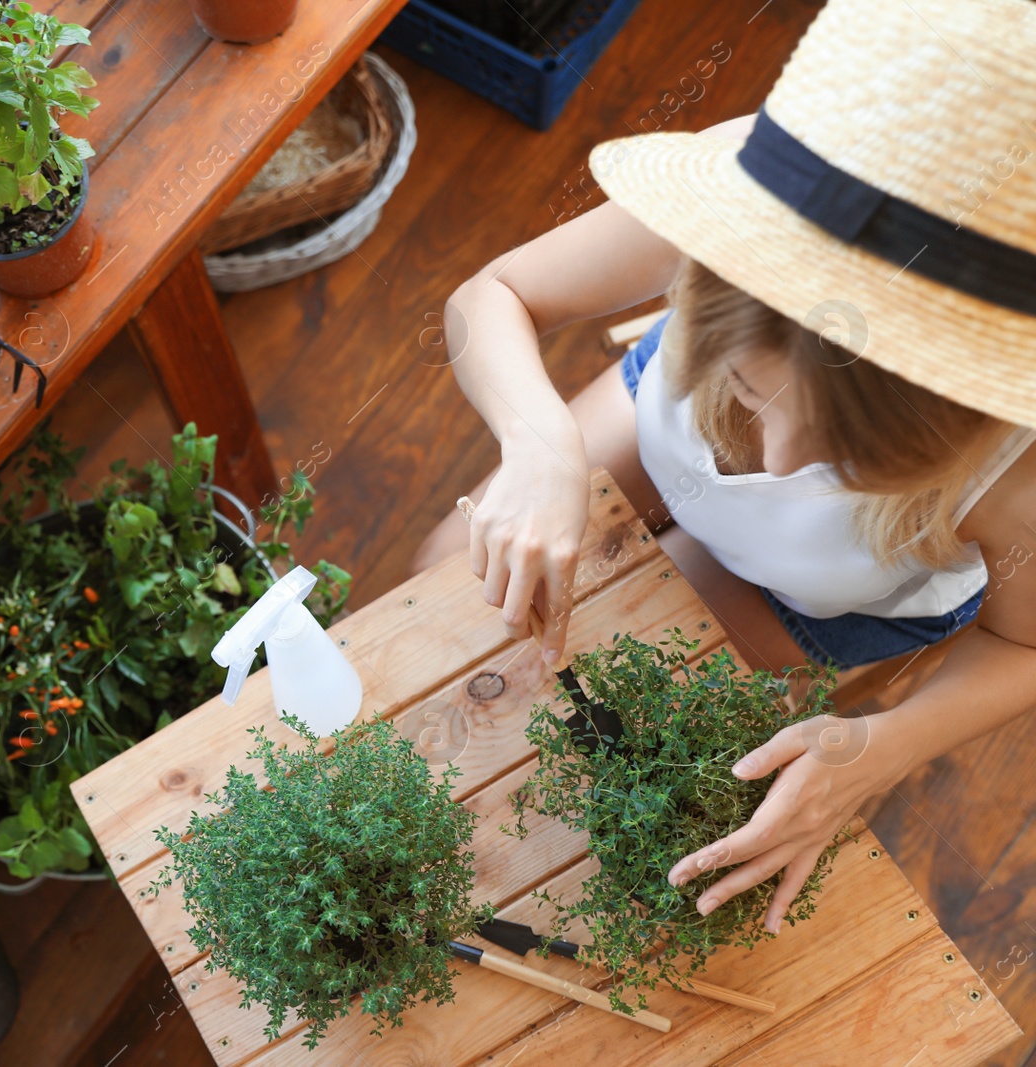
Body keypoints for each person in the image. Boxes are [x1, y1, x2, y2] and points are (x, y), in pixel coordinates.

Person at [411, 0, 1036, 933]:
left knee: (599, 743)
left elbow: (1028, 646)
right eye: (750, 387)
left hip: (826, 591)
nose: (775, 461)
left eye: (848, 458)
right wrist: (540, 447)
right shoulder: (743, 210)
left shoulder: (1014, 474)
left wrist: (878, 747)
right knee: (439, 579)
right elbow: (490, 295)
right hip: (660, 424)